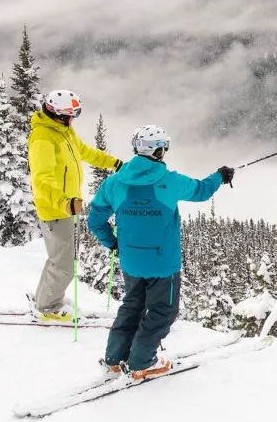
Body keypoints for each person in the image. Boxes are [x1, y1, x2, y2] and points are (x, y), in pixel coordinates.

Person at [87, 124, 235, 380]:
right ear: (158, 151)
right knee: (162, 311)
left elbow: (95, 220)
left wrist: (112, 243)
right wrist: (220, 176)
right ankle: (141, 363)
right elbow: (201, 190)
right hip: (162, 263)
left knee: (132, 305)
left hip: (130, 261)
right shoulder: (169, 181)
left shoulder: (114, 183)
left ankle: (115, 358)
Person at [28, 89, 124, 323]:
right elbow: (42, 179)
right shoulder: (44, 138)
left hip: (63, 207)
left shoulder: (63, 132)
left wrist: (115, 163)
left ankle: (45, 299)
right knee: (64, 264)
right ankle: (48, 307)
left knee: (57, 259)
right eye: (71, 115)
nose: (74, 119)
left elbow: (85, 152)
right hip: (54, 209)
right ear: (58, 115)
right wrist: (64, 202)